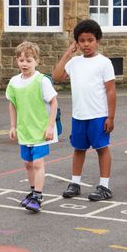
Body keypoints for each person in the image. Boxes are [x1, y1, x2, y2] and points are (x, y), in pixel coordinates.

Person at [52, 19, 116, 201]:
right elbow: (57, 77)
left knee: (102, 148)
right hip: (79, 115)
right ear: (77, 43)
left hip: (98, 115)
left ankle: (104, 186)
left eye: (90, 40)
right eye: (82, 41)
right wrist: (67, 53)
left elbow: (111, 91)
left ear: (98, 41)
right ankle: (75, 182)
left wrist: (110, 117)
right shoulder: (74, 62)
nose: (86, 44)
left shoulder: (104, 63)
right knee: (78, 149)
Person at [6, 41, 58, 213]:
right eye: (21, 60)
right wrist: (13, 126)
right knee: (27, 163)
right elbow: (12, 104)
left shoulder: (41, 81)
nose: (24, 64)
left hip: (41, 130)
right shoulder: (14, 82)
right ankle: (32, 190)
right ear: (16, 61)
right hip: (24, 129)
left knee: (37, 163)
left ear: (37, 61)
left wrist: (50, 127)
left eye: (28, 60)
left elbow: (53, 102)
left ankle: (38, 195)